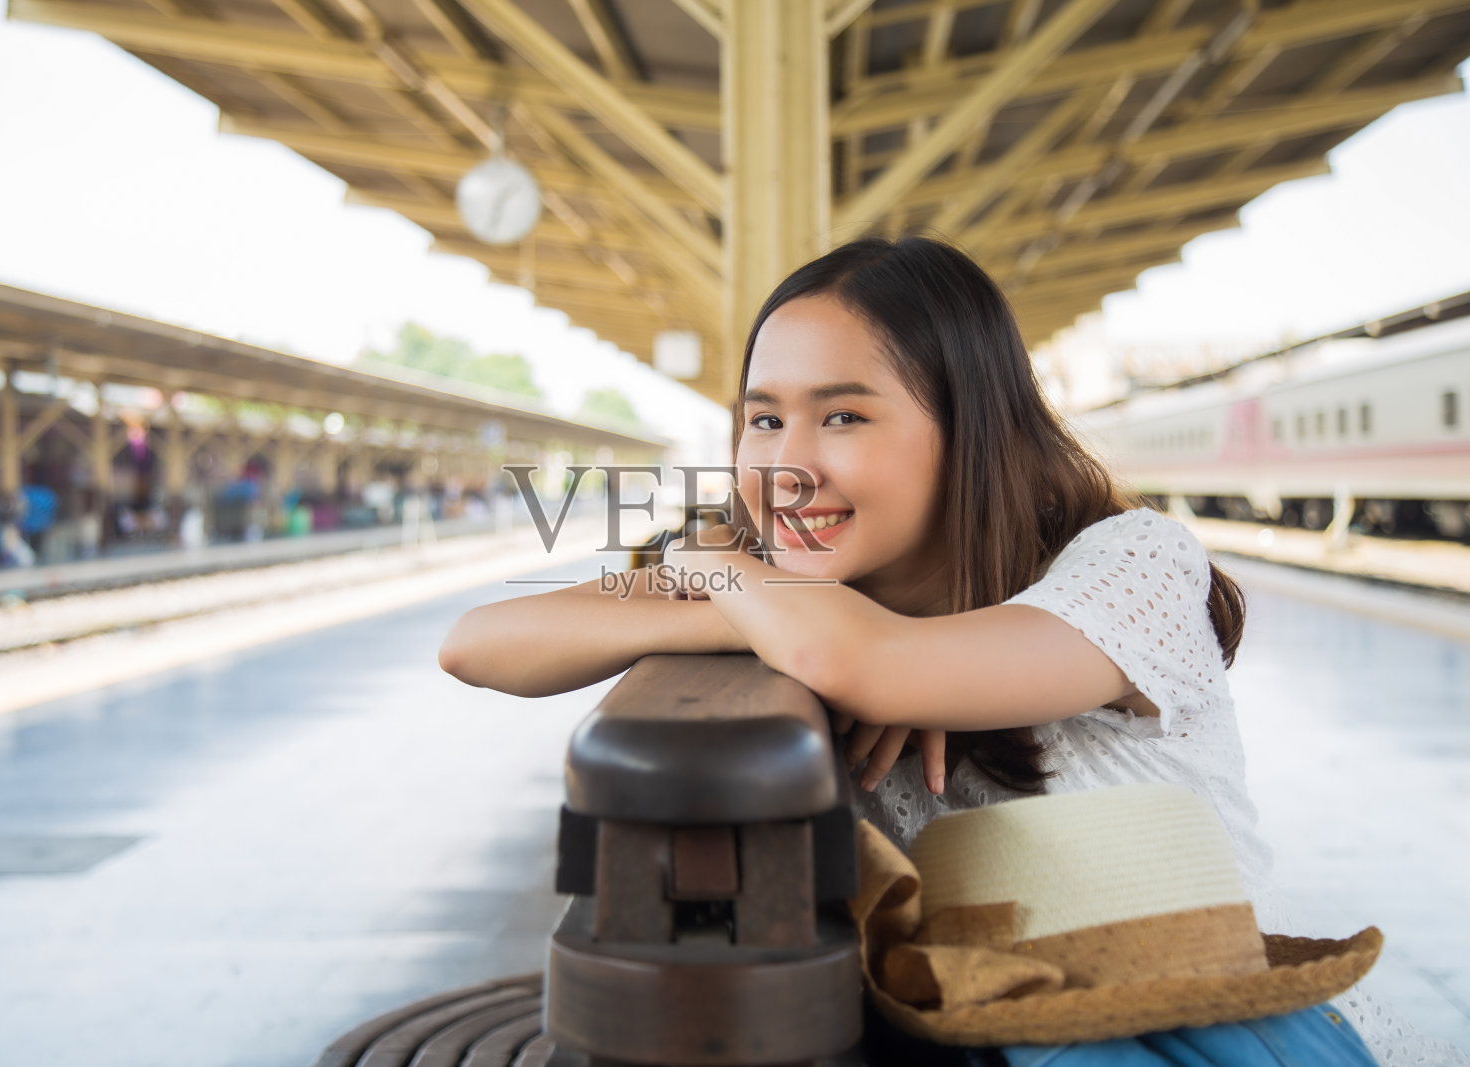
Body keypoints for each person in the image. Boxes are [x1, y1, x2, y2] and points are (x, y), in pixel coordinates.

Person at [438, 236, 1462, 1066]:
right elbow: (481, 641)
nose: (786, 464)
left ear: (969, 425)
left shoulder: (1136, 561)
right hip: (965, 1032)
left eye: (841, 414)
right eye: (762, 418)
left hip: (1196, 1031)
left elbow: (866, 666)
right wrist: (723, 584)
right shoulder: (785, 592)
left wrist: (755, 596)